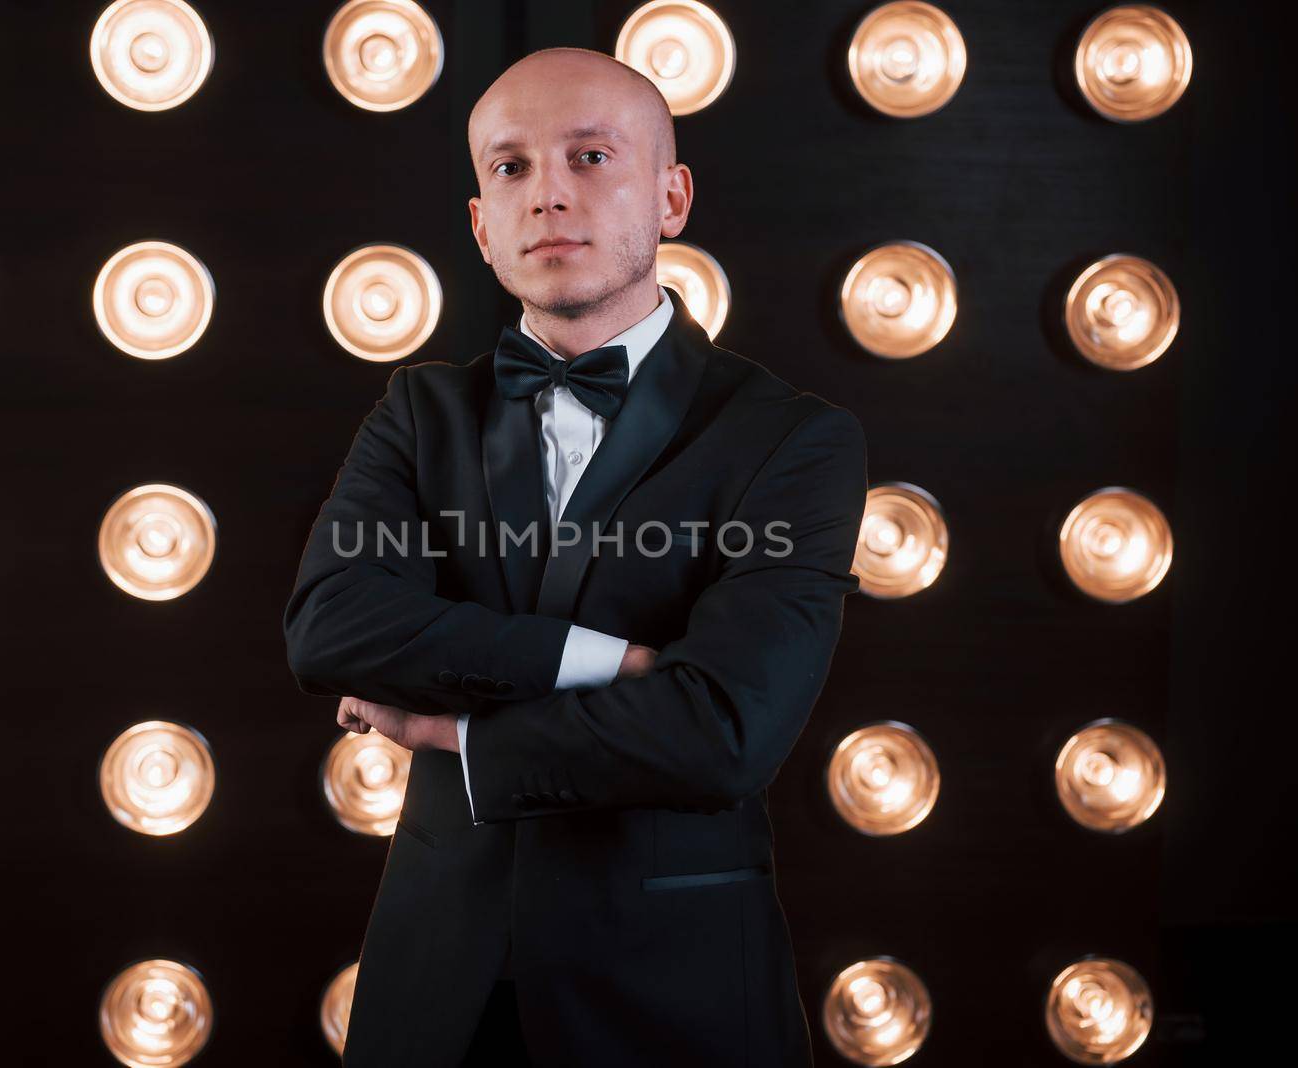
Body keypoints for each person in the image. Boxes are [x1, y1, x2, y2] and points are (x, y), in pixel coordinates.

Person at [283, 46, 868, 1068]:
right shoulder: (419, 413)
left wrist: (455, 731)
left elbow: (725, 731)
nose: (549, 193)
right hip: (436, 986)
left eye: (591, 157)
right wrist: (601, 660)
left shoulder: (792, 438)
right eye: (510, 168)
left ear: (671, 196)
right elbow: (329, 627)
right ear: (480, 225)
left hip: (672, 991)